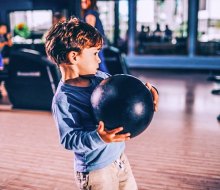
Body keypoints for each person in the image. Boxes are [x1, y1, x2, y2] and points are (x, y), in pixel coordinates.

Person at [45, 17, 159, 190]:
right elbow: (69, 139)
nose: (99, 60)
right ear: (74, 56)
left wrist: (149, 93)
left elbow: (124, 94)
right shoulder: (64, 99)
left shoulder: (101, 78)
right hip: (95, 171)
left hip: (119, 159)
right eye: (95, 53)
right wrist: (99, 137)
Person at [81, 0, 109, 73]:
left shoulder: (89, 13)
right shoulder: (93, 12)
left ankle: (108, 82)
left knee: (100, 65)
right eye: (81, 2)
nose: (82, 4)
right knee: (100, 64)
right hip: (98, 43)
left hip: (95, 44)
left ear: (90, 2)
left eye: (84, 1)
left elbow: (90, 32)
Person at [0, 22, 13, 98]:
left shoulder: (4, 36)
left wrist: (8, 38)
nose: (5, 30)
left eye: (5, 28)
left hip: (3, 57)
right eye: (3, 28)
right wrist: (4, 43)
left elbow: (10, 44)